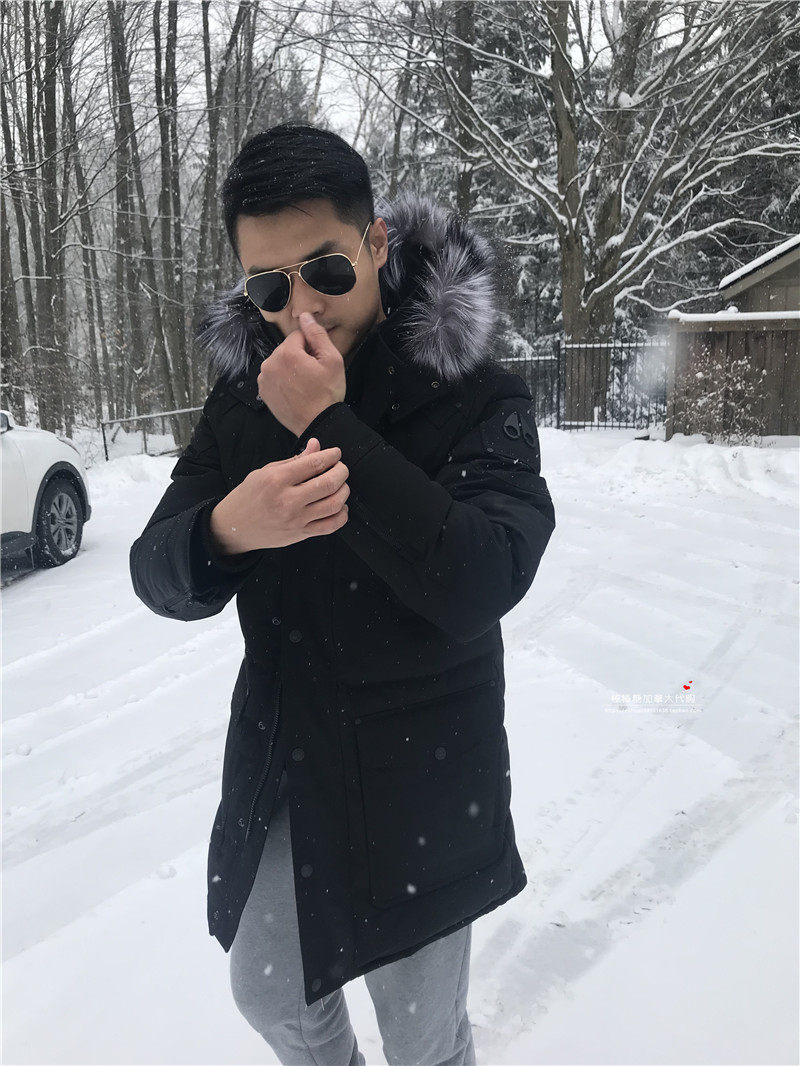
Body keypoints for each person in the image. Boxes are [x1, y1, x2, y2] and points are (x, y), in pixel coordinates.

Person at [129, 121, 556, 1065]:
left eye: (325, 268)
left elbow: (485, 576)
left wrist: (328, 423)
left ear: (376, 241)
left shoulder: (473, 391)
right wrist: (227, 528)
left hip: (424, 774)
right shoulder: (243, 395)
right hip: (291, 755)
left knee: (422, 1037)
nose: (300, 308)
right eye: (267, 287)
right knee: (269, 992)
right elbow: (155, 568)